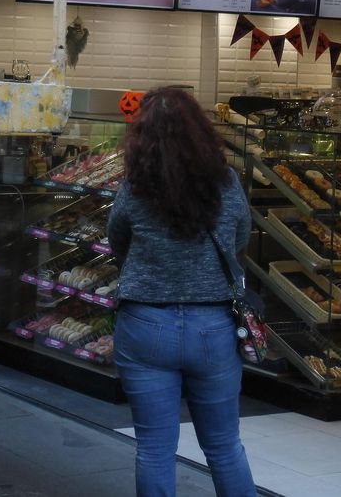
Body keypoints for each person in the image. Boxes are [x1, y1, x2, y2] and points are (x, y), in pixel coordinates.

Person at [107, 87, 258, 497]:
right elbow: (240, 237)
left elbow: (117, 239)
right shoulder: (226, 183)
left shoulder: (135, 186)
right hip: (213, 327)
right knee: (224, 447)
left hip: (145, 323)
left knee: (154, 450)